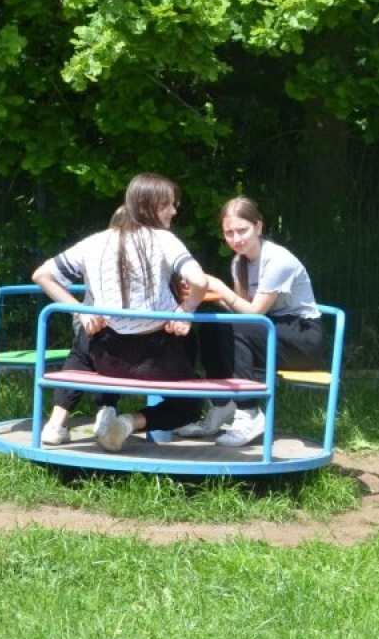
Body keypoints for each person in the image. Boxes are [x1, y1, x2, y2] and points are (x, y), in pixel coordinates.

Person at [32, 173, 209, 451]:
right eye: (167, 205)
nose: (174, 211)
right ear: (147, 205)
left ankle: (58, 422)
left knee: (84, 342)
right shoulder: (164, 240)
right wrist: (185, 310)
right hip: (157, 362)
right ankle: (129, 422)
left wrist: (81, 311)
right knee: (191, 406)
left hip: (107, 358)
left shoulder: (94, 242)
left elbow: (42, 275)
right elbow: (199, 281)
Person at [175, 195, 324, 446]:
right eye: (229, 233)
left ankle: (249, 412)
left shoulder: (278, 260)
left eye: (242, 230)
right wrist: (209, 296)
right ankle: (222, 405)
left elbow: (254, 314)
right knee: (212, 327)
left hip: (302, 338)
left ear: (258, 226)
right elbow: (240, 310)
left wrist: (220, 287)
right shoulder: (239, 262)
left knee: (237, 329)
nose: (236, 239)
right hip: (270, 329)